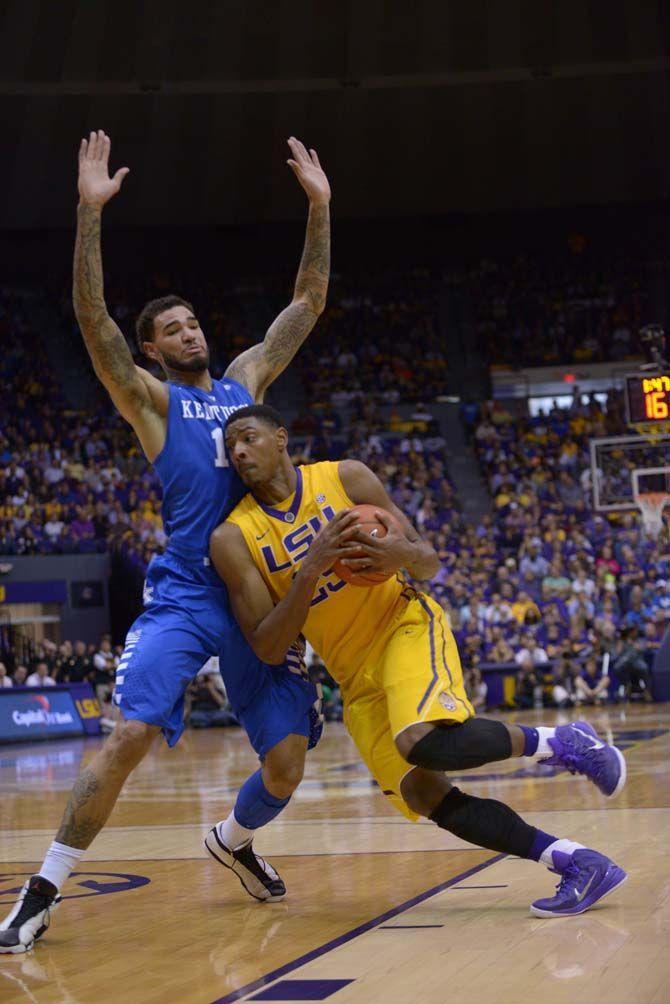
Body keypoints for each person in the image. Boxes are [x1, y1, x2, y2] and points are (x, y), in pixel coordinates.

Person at [0, 130, 331, 954]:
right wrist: (88, 213)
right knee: (130, 735)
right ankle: (42, 890)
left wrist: (320, 209)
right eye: (172, 329)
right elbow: (91, 318)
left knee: (287, 766)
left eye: (192, 323)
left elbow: (306, 304)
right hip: (186, 592)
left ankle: (235, 842)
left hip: (255, 596)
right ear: (151, 350)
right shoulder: (151, 402)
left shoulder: (245, 385)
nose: (189, 333)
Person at [211, 405, 627, 919]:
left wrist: (399, 557)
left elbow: (427, 561)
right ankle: (577, 863)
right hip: (352, 677)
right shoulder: (234, 537)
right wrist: (310, 569)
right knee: (427, 794)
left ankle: (561, 742)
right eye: (231, 447)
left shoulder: (345, 477)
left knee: (420, 741)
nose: (240, 452)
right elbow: (268, 647)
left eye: (248, 438)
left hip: (402, 625)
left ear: (281, 437)